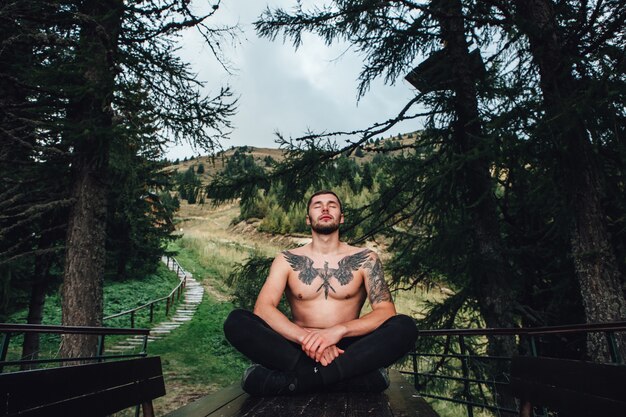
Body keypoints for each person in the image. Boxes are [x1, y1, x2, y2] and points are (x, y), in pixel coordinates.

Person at [224, 190, 417, 396]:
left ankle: (299, 381)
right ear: (308, 219)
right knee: (236, 321)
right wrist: (308, 339)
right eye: (317, 205)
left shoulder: (366, 258)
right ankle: (345, 379)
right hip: (297, 347)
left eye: (332, 205)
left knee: (405, 326)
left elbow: (386, 311)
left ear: (341, 217)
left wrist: (338, 331)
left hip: (347, 350)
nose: (325, 209)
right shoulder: (286, 259)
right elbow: (263, 308)